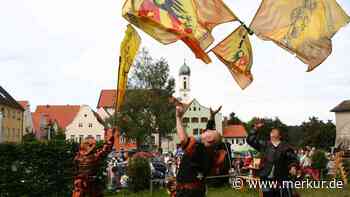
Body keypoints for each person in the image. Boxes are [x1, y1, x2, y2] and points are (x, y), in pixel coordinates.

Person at [174, 104, 222, 197]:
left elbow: (183, 140)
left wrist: (178, 117)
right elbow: (210, 132)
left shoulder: (199, 150)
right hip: (198, 191)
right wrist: (212, 116)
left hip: (188, 193)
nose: (204, 131)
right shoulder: (210, 152)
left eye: (207, 132)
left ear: (209, 140)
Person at [247, 119, 299, 197]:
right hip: (266, 178)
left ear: (280, 136)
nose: (273, 131)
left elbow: (293, 158)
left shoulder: (286, 147)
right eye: (272, 131)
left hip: (281, 179)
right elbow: (250, 139)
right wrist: (255, 128)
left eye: (276, 130)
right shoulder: (264, 145)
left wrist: (293, 166)